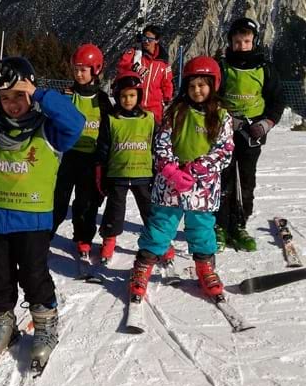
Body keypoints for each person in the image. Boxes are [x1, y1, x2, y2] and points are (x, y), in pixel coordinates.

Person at [0, 57, 84, 370]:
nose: (12, 104)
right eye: (5, 97)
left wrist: (35, 91)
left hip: (31, 220)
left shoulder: (49, 130)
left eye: (18, 96)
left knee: (34, 275)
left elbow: (74, 122)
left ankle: (46, 323)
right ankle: (2, 321)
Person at [132, 56, 234, 302]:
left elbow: (224, 150)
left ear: (213, 85)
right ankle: (143, 267)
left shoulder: (221, 116)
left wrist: (196, 169)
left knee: (202, 230)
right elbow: (161, 143)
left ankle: (205, 268)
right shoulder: (176, 112)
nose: (196, 90)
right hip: (171, 186)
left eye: (202, 85)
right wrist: (170, 170)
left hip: (202, 188)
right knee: (160, 228)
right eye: (191, 86)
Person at [215, 17, 285, 252]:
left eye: (246, 41)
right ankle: (220, 225)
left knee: (246, 179)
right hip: (224, 132)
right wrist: (224, 118)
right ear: (230, 42)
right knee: (222, 179)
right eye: (237, 41)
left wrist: (266, 123)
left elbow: (277, 100)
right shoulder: (222, 66)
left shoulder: (264, 68)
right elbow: (209, 96)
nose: (242, 46)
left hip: (252, 132)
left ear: (253, 41)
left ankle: (240, 224)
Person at [52, 44, 113, 260]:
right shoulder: (68, 95)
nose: (78, 74)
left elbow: (109, 130)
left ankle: (84, 238)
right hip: (68, 156)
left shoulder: (102, 100)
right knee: (58, 199)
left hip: (91, 159)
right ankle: (45, 234)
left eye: (83, 70)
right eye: (76, 69)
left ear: (95, 70)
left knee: (85, 203)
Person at [95, 71, 160, 263]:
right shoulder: (112, 119)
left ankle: (160, 242)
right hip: (118, 174)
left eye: (132, 95)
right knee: (114, 212)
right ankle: (109, 238)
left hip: (143, 174)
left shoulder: (149, 118)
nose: (127, 99)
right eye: (123, 96)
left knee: (150, 211)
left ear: (139, 95)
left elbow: (157, 145)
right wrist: (101, 171)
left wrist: (159, 172)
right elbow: (104, 147)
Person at [116, 24, 174, 124]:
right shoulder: (135, 54)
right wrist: (134, 67)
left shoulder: (163, 62)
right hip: (135, 105)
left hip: (155, 109)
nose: (146, 42)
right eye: (144, 38)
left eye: (150, 39)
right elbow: (121, 65)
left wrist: (167, 99)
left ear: (157, 40)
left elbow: (167, 83)